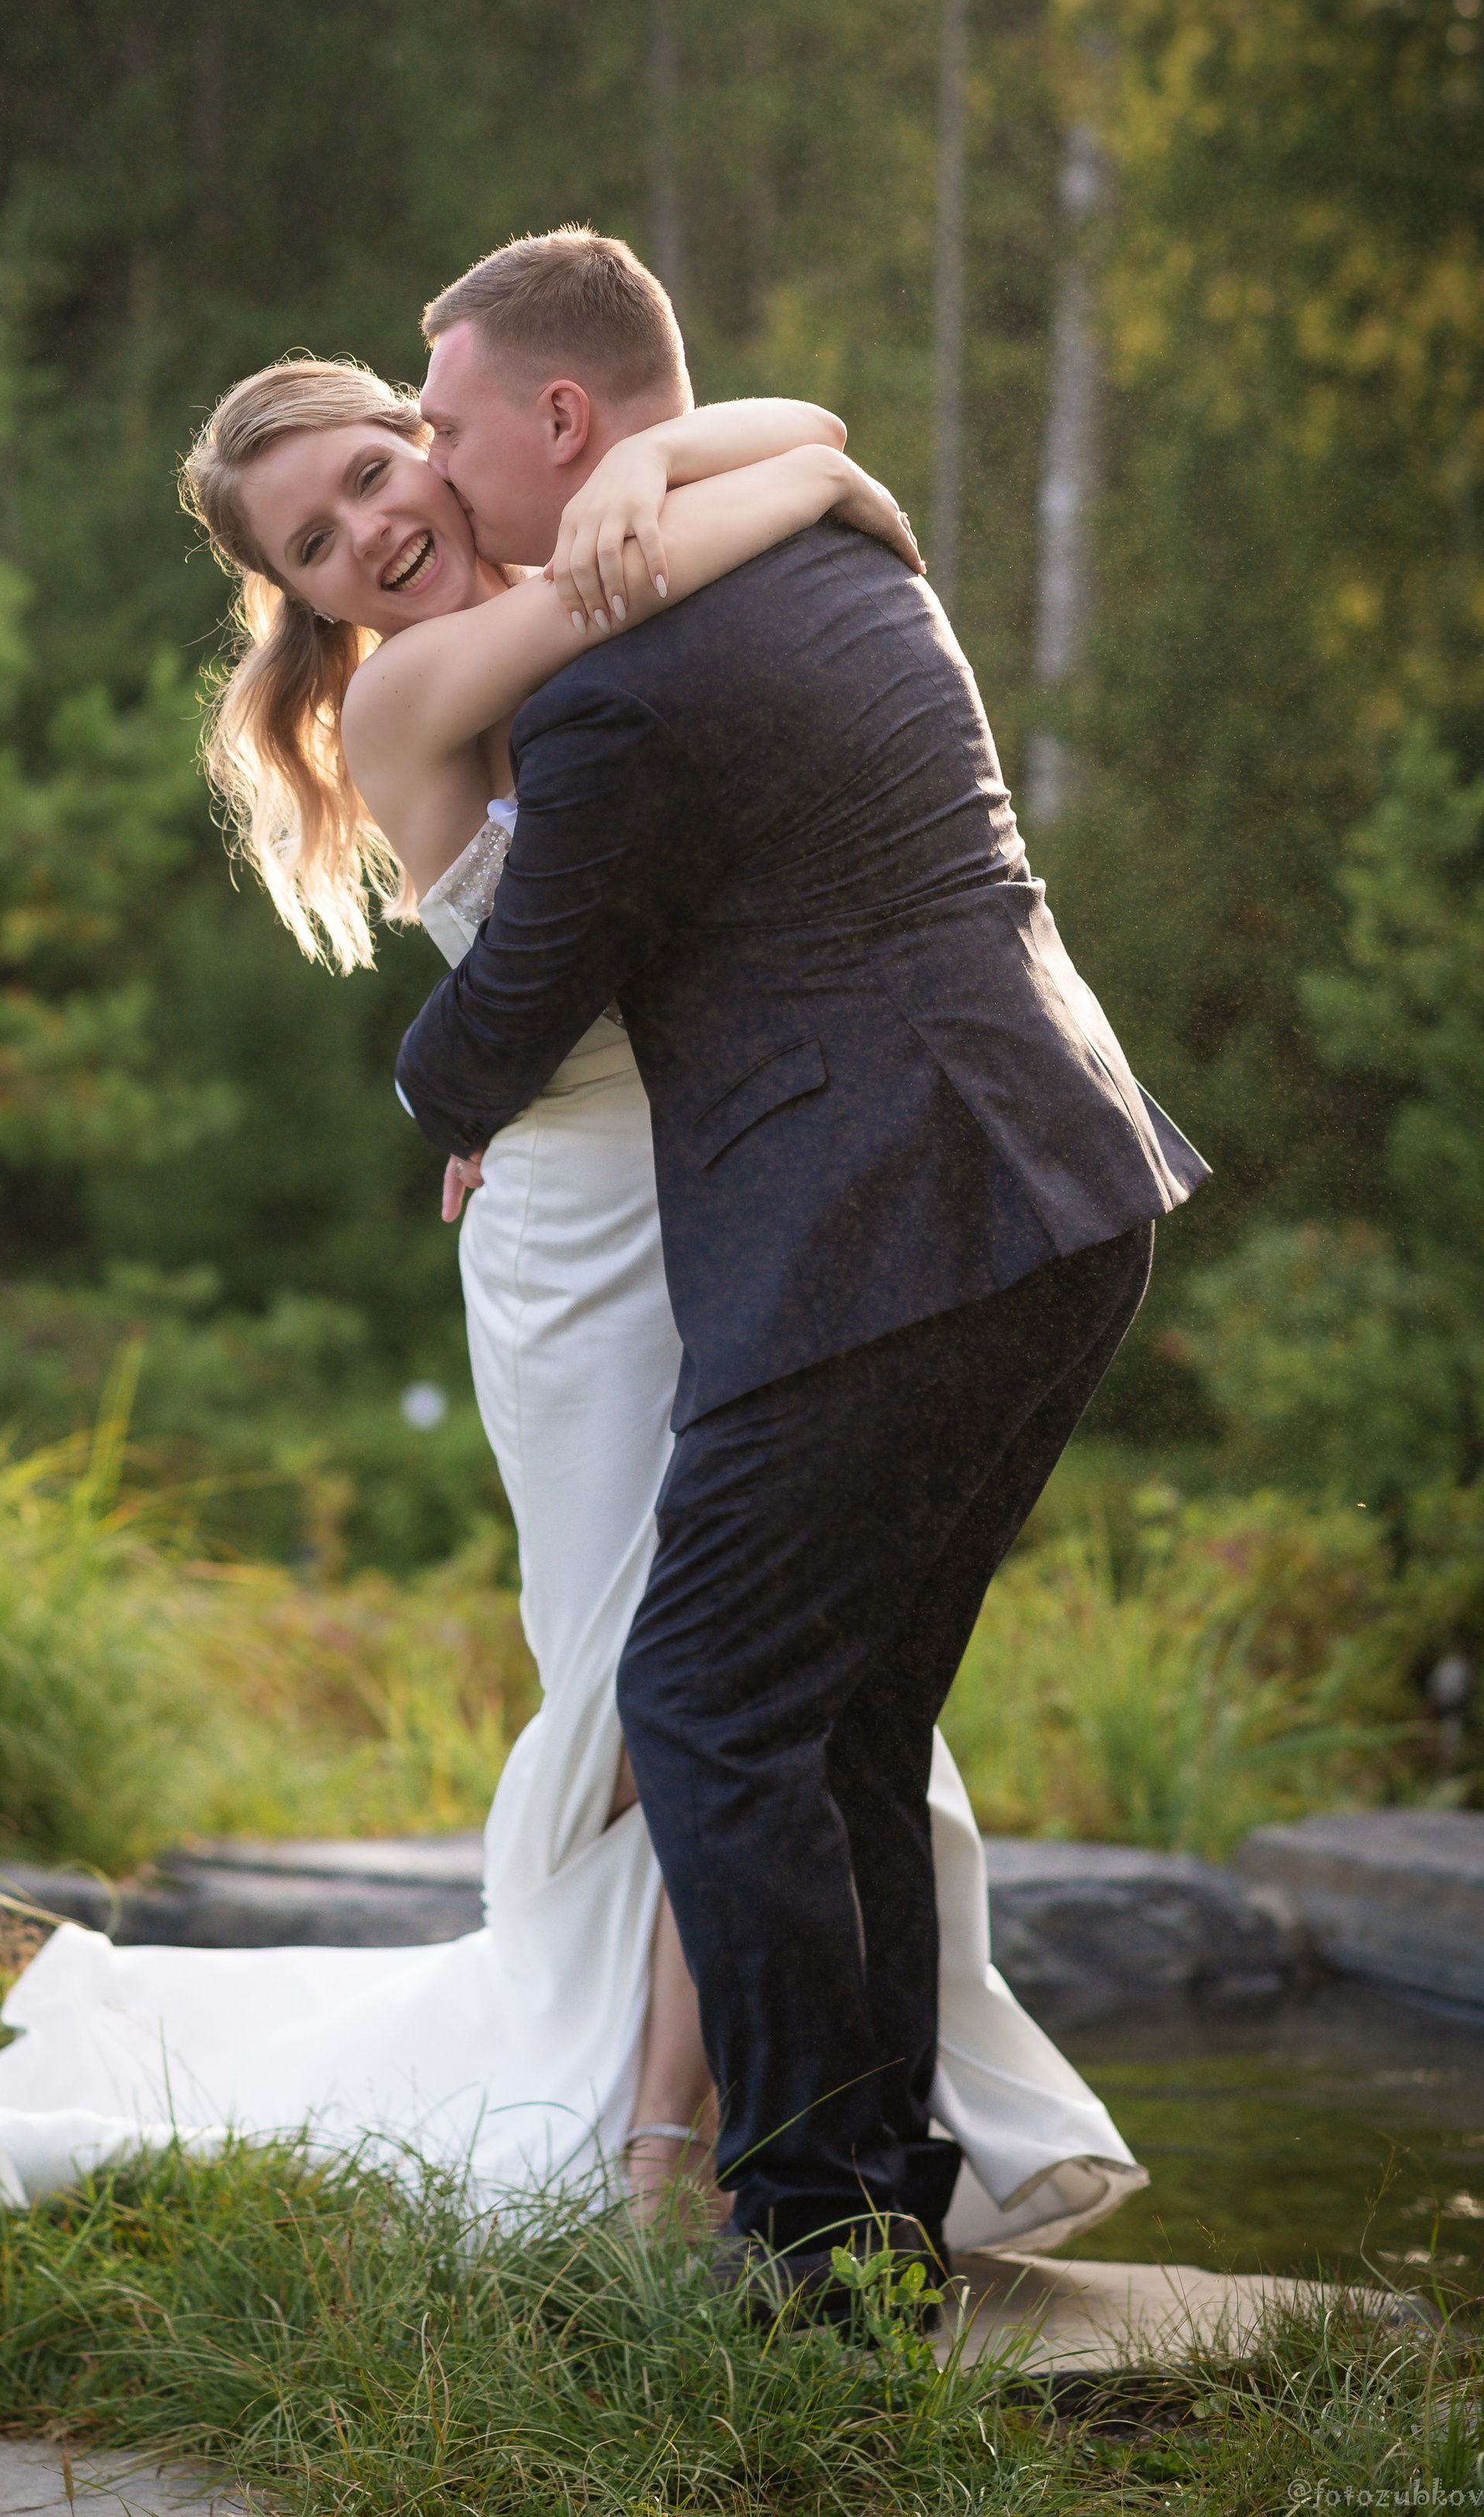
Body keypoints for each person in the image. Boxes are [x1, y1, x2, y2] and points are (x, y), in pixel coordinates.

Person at [0, 314, 1153, 2269]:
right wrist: (802, 486)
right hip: (590, 1239)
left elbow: (795, 422)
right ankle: (674, 2148)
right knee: (671, 1699)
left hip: (762, 1188)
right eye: (312, 545)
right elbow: (739, 503)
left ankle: (737, 2147)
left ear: (423, 439)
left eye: (368, 472)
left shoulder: (591, 547)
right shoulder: (424, 683)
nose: (364, 533)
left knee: (760, 1688)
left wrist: (687, 458)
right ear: (306, 602)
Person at [395, 229, 1208, 2319]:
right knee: (844, 1723)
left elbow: (496, 1033)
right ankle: (865, 2228)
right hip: (1060, 1186)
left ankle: (810, 2246)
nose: (430, 456)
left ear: (560, 416)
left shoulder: (616, 692)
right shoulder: (827, 547)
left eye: (447, 419)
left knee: (703, 1704)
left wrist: (434, 1088)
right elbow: (803, 448)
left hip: (887, 1228)